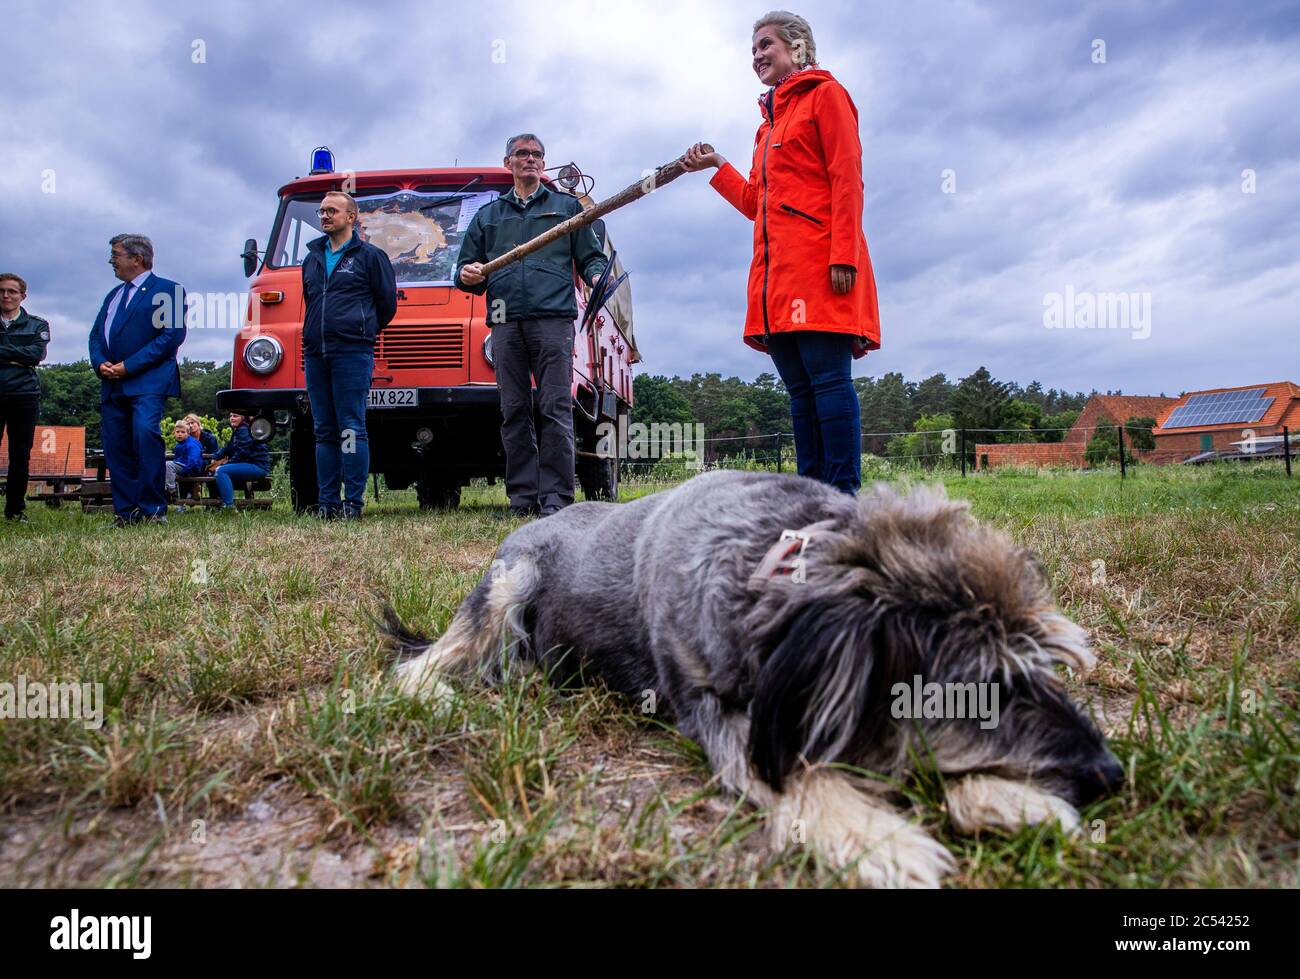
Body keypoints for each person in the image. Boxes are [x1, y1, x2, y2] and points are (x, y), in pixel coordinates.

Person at [683, 11, 879, 496]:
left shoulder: (826, 96)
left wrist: (844, 256)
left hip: (821, 266)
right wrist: (717, 165)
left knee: (830, 383)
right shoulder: (764, 129)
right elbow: (755, 203)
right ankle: (812, 496)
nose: (756, 57)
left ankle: (844, 497)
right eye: (752, 50)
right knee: (799, 392)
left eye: (765, 45)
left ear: (798, 47)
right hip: (775, 280)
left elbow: (847, 180)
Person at [455, 133, 608, 517]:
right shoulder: (489, 216)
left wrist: (596, 275)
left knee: (555, 407)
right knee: (514, 409)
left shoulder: (567, 206)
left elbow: (590, 257)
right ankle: (522, 498)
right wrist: (468, 273)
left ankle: (556, 499)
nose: (530, 160)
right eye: (522, 154)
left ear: (543, 162)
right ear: (508, 163)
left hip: (553, 318)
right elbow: (463, 270)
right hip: (505, 320)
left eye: (537, 155)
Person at [301, 191, 397, 520]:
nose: (325, 216)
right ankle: (327, 504)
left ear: (351, 217)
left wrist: (361, 329)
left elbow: (386, 305)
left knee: (351, 428)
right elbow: (310, 300)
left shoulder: (371, 257)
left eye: (332, 211)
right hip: (315, 353)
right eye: (322, 211)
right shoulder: (311, 258)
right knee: (323, 429)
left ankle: (352, 504)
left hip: (352, 352)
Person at [88, 234, 187, 525]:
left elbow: (172, 336)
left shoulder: (168, 290)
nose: (111, 261)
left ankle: (153, 509)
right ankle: (126, 512)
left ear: (137, 258)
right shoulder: (113, 295)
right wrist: (100, 363)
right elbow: (96, 335)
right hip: (112, 382)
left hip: (147, 382)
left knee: (144, 435)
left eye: (116, 255)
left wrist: (128, 366)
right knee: (116, 446)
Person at [0, 273, 50, 523]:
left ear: (22, 296)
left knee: (20, 454)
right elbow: (26, 354)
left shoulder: (37, 324)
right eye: (2, 291)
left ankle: (15, 510)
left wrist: (7, 354)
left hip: (24, 394)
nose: (6, 296)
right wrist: (17, 355)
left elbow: (35, 355)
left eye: (11, 291)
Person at [208, 412, 270, 510]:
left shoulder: (245, 430)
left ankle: (228, 507)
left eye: (235, 416)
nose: (232, 418)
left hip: (257, 466)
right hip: (250, 464)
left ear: (242, 418)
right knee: (218, 470)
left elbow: (242, 452)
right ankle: (218, 506)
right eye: (230, 416)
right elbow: (228, 447)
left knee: (221, 471)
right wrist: (215, 456)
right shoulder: (239, 430)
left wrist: (227, 464)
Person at [166, 421, 203, 500]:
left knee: (168, 465)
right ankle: (166, 490)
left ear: (188, 433)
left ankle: (171, 491)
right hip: (183, 466)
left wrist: (183, 473)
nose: (180, 434)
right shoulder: (180, 444)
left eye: (183, 432)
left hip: (191, 469)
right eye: (178, 432)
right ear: (174, 433)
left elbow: (193, 462)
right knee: (162, 466)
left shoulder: (192, 444)